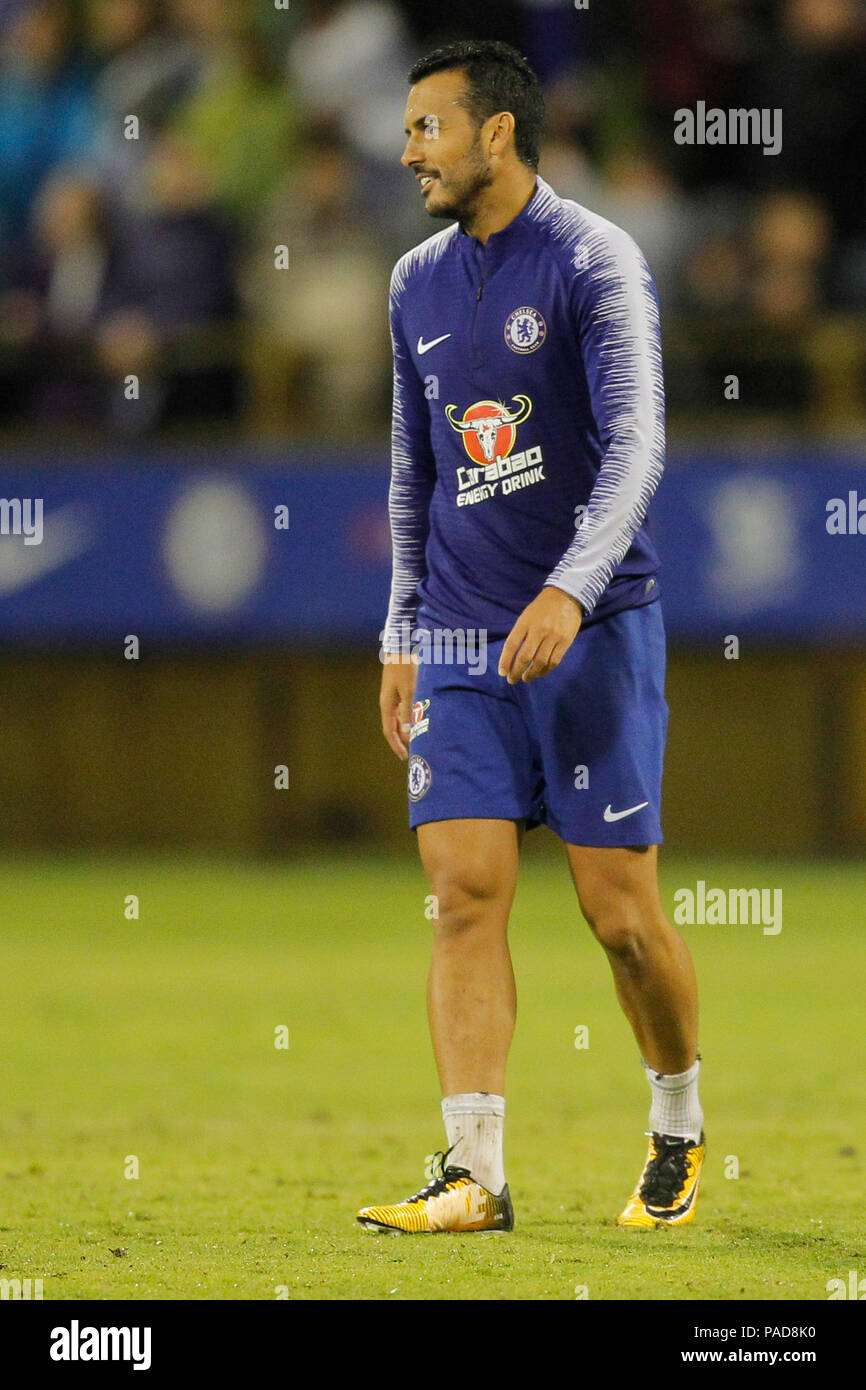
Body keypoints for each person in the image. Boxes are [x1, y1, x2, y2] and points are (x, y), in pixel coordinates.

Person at [358, 39, 704, 1234]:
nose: (406, 152)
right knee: (462, 891)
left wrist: (564, 590)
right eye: (405, 131)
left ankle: (674, 1121)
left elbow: (637, 448)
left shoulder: (595, 261)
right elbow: (416, 468)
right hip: (459, 634)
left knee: (618, 918)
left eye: (425, 129)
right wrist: (401, 624)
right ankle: (473, 1173)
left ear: (494, 134)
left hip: (592, 625)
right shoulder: (411, 283)